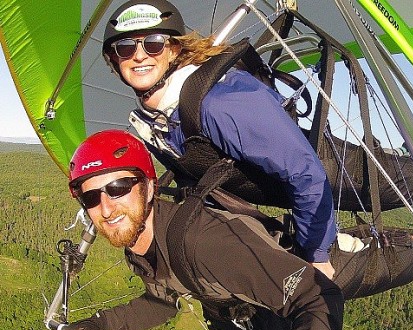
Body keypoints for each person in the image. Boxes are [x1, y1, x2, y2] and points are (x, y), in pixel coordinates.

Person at [64, 130, 344, 330]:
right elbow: (161, 302)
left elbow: (317, 295)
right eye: (91, 197)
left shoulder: (202, 243)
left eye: (118, 187)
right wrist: (98, 324)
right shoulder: (139, 245)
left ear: (149, 185)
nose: (106, 209)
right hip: (260, 302)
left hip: (316, 275)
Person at [101, 0, 338, 279]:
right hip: (269, 189)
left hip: (322, 181)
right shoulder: (156, 120)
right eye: (126, 48)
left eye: (153, 43)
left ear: (173, 49)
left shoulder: (218, 104)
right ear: (115, 59)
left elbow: (305, 172)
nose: (139, 56)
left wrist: (316, 254)